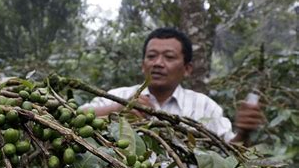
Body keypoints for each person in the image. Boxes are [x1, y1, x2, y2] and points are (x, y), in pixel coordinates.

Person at [82, 27, 264, 143]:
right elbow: (75, 116)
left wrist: (244, 133)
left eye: (169, 57)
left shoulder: (205, 107)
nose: (158, 63)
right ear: (142, 64)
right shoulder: (117, 96)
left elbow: (230, 152)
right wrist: (118, 108)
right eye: (151, 56)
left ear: (187, 68)